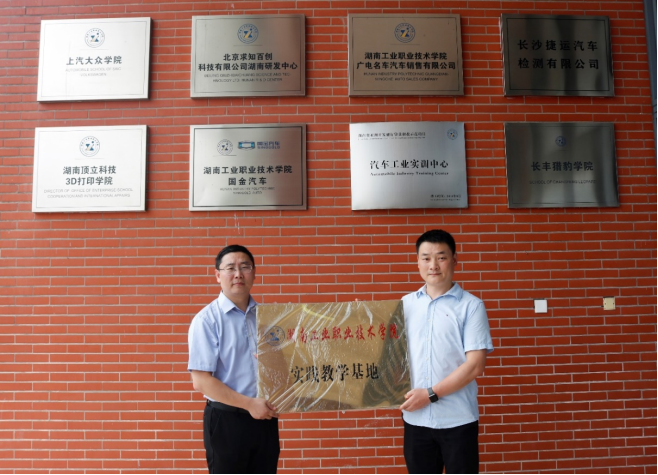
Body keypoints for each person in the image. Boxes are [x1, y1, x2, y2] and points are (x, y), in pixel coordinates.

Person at [400, 229, 494, 474]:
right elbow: (389, 353)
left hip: (458, 421)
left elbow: (475, 365)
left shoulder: (471, 306)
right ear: (417, 262)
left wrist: (430, 395)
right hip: (416, 421)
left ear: (454, 260)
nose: (433, 265)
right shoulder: (404, 305)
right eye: (426, 258)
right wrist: (362, 317)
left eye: (441, 257)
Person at [188, 244, 280, 474]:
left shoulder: (268, 318)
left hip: (265, 419)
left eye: (245, 267)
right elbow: (201, 381)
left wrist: (354, 315)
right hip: (226, 421)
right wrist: (249, 405)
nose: (238, 274)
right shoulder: (207, 320)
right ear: (218, 275)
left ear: (254, 273)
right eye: (230, 268)